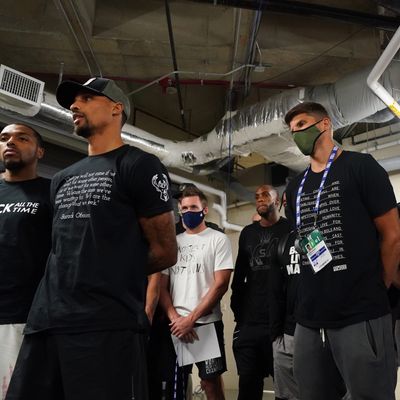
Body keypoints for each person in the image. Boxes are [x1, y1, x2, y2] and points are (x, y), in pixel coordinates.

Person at [6, 77, 177, 400]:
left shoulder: (139, 165)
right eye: (74, 101)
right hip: (46, 321)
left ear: (116, 109)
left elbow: (165, 251)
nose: (74, 106)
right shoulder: (60, 179)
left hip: (105, 324)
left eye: (86, 99)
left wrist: (108, 271)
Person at [284, 101, 400, 400]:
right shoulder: (295, 187)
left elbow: (392, 235)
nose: (295, 133)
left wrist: (380, 286)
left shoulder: (362, 167)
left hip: (360, 313)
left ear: (324, 124)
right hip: (310, 318)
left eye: (301, 125)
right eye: (291, 129)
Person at [160, 186, 233, 400]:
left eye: (193, 207)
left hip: (206, 324)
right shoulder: (173, 243)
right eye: (184, 208)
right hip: (175, 326)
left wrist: (191, 319)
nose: (188, 211)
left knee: (210, 384)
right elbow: (162, 285)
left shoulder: (218, 239)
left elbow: (220, 285)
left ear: (205, 210)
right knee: (176, 385)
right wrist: (176, 319)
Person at [0, 123, 51, 399]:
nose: (11, 142)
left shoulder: (52, 192)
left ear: (40, 151)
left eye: (22, 138)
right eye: (4, 138)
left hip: (23, 317)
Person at [230, 184, 291, 400]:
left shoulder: (289, 230)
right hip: (250, 324)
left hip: (280, 325)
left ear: (278, 201)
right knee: (247, 386)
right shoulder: (248, 233)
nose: (260, 199)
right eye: (256, 197)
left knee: (284, 390)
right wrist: (240, 315)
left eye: (265, 195)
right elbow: (239, 277)